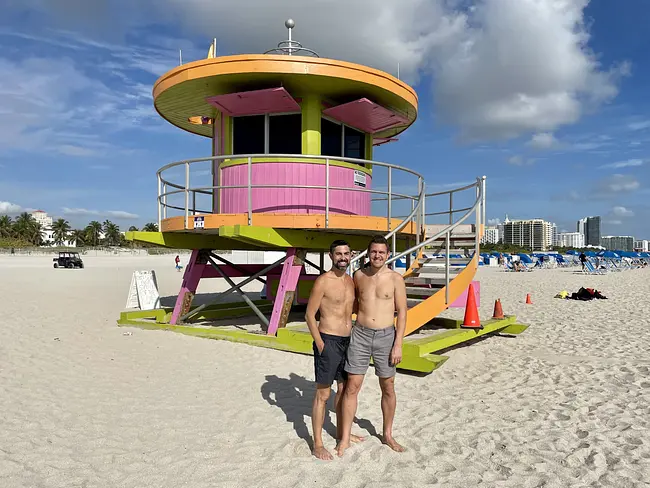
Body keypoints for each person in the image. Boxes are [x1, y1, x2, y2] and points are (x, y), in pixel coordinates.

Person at [337, 235, 408, 456]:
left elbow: (403, 312)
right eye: (373, 252)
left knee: (387, 387)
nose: (377, 256)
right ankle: (345, 438)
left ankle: (387, 434)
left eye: (381, 252)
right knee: (352, 387)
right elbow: (352, 304)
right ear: (368, 254)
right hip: (360, 334)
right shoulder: (359, 275)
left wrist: (398, 344)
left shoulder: (396, 278)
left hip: (386, 337)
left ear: (388, 255)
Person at [305, 239, 365, 460]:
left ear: (351, 255)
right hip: (328, 340)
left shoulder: (351, 281)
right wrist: (320, 342)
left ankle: (342, 433)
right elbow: (309, 315)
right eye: (338, 254)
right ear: (331, 256)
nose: (343, 258)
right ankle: (318, 444)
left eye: (346, 254)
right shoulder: (323, 281)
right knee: (323, 394)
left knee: (343, 390)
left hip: (348, 341)